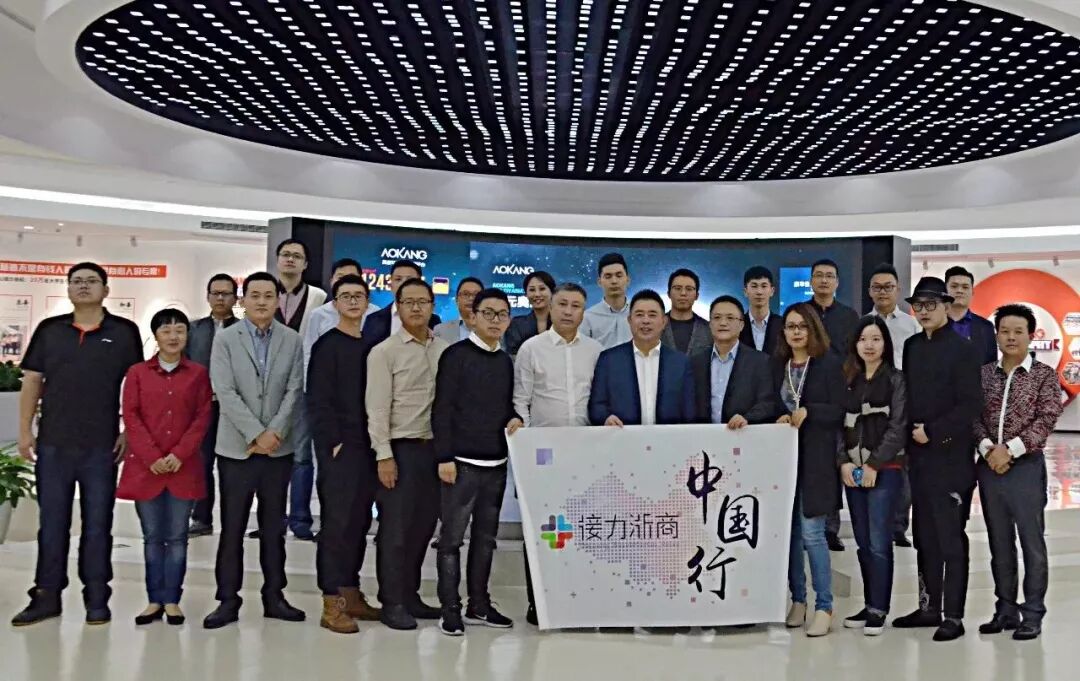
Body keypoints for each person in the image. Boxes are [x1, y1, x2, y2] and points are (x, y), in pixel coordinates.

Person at [11, 262, 143, 627]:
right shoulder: (50, 330)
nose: (84, 286)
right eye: (77, 281)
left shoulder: (124, 332)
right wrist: (24, 431)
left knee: (98, 525)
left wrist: (129, 431)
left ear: (106, 289)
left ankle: (97, 597)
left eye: (91, 281)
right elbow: (32, 382)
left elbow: (136, 385)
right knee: (52, 524)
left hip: (102, 446)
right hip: (54, 445)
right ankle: (46, 596)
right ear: (68, 289)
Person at [203, 272, 306, 630]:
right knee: (232, 527)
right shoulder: (225, 338)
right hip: (237, 449)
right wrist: (256, 433)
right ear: (242, 300)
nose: (262, 302)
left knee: (273, 528)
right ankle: (227, 600)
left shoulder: (292, 339)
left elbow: (294, 390)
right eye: (255, 295)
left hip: (278, 449)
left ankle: (274, 596)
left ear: (278, 300)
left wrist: (274, 432)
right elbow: (224, 390)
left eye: (268, 295)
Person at [892, 276, 982, 642]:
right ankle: (929, 607)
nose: (924, 311)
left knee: (950, 538)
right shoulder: (912, 346)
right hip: (919, 457)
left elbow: (971, 405)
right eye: (918, 306)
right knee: (924, 536)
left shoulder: (963, 350)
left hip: (951, 458)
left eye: (931, 304)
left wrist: (934, 431)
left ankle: (954, 616)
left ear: (947, 305)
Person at [432, 288, 523, 636]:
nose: (495, 320)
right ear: (473, 316)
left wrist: (515, 417)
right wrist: (444, 456)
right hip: (460, 464)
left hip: (495, 464)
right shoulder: (455, 355)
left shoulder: (505, 362)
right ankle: (450, 609)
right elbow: (442, 408)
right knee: (451, 540)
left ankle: (479, 605)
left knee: (486, 539)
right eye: (488, 313)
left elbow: (505, 406)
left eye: (502, 314)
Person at [514, 282, 602, 625]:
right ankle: (539, 601)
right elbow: (521, 400)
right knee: (540, 529)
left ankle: (577, 598)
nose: (568, 311)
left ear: (583, 312)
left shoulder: (595, 351)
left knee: (581, 528)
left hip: (584, 453)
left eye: (576, 306)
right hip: (542, 454)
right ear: (550, 308)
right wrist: (524, 442)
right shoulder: (531, 348)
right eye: (562, 304)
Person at [117, 309, 213, 627]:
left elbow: (202, 418)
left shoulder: (198, 374)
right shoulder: (137, 373)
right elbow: (131, 416)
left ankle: (172, 599)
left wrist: (180, 454)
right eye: (166, 330)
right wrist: (151, 456)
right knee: (152, 537)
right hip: (147, 469)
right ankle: (153, 600)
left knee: (178, 537)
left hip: (183, 468)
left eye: (180, 330)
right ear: (156, 336)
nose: (173, 336)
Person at [974, 304, 1063, 641]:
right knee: (999, 542)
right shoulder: (984, 374)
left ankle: (1033, 613)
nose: (1011, 337)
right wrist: (988, 448)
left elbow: (1047, 418)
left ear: (1030, 335)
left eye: (1018, 331)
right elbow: (972, 415)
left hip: (1025, 467)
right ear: (997, 335)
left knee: (1031, 543)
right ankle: (1005, 610)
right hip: (989, 467)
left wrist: (1009, 450)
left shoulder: (1044, 375)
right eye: (1005, 331)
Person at [366, 277, 450, 631]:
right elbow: (376, 409)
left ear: (433, 306)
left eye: (423, 302)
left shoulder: (444, 349)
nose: (416, 308)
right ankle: (392, 601)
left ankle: (410, 595)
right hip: (400, 450)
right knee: (395, 531)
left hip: (435, 451)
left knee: (422, 527)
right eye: (409, 302)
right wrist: (384, 455)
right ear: (397, 307)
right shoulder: (384, 352)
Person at [307, 275, 381, 634]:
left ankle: (351, 593)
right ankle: (331, 602)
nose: (353, 301)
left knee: (359, 522)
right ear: (335, 303)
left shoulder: (372, 345)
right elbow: (318, 399)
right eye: (345, 296)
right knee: (336, 525)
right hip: (340, 449)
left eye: (359, 295)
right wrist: (332, 442)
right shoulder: (327, 345)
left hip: (369, 446)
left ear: (367, 302)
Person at [773, 303, 845, 638]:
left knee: (813, 534)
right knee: (789, 535)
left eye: (802, 326)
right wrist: (778, 416)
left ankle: (824, 605)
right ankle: (798, 599)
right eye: (790, 326)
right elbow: (769, 402)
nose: (796, 332)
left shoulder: (828, 364)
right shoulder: (778, 365)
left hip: (816, 462)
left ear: (813, 329)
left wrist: (811, 411)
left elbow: (841, 410)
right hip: (783, 462)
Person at [838, 317, 908, 637]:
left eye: (876, 339)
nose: (869, 345)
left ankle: (880, 608)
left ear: (885, 344)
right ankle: (868, 605)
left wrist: (873, 465)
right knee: (863, 542)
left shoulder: (896, 379)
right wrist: (842, 462)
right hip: (852, 470)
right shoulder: (847, 380)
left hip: (885, 469)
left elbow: (898, 427)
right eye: (864, 339)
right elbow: (838, 425)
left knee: (880, 542)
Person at [273, 238, 327, 541]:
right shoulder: (266, 292)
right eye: (285, 254)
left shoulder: (318, 297)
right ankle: (272, 518)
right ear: (277, 260)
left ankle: (300, 520)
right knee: (271, 454)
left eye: (297, 256)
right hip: (269, 387)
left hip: (304, 385)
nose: (290, 260)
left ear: (306, 264)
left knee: (302, 455)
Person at [865, 262, 920, 548]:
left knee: (902, 464)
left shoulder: (911, 325)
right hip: (871, 400)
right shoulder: (864, 323)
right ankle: (876, 522)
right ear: (870, 291)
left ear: (898, 290)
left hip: (903, 399)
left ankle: (899, 525)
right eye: (877, 287)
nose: (882, 292)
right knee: (874, 458)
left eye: (888, 287)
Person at [807, 258, 859, 552]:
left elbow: (854, 356)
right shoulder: (802, 313)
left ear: (837, 282)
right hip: (808, 395)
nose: (824, 280)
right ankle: (808, 525)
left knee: (836, 460)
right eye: (819, 276)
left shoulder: (849, 316)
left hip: (839, 395)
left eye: (829, 276)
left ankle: (831, 529)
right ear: (811, 281)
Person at [588, 289, 694, 426]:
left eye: (652, 315)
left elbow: (689, 411)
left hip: (668, 438)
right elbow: (596, 406)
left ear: (664, 321)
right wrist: (605, 418)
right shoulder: (609, 360)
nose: (645, 321)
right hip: (622, 436)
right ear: (629, 320)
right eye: (639, 315)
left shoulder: (680, 362)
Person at [187, 273, 240, 538]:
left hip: (234, 409)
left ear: (235, 298)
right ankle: (201, 518)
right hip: (202, 407)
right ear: (207, 296)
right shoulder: (193, 330)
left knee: (232, 466)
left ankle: (233, 521)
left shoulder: (244, 330)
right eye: (215, 293)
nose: (220, 298)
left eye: (226, 293)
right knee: (201, 463)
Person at [691, 296, 775, 427]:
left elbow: (768, 403)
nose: (723, 323)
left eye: (730, 318)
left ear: (741, 325)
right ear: (710, 324)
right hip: (702, 436)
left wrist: (747, 418)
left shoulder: (760, 362)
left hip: (742, 434)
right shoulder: (695, 362)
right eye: (717, 318)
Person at [302, 257, 381, 374]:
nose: (346, 281)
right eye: (340, 277)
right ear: (331, 281)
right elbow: (308, 352)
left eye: (352, 277)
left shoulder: (376, 313)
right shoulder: (318, 314)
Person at [362, 259, 443, 344]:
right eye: (398, 279)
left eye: (410, 280)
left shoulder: (434, 321)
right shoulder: (373, 320)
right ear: (390, 285)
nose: (403, 284)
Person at [945, 265, 998, 365]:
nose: (959, 290)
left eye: (965, 287)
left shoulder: (986, 327)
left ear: (972, 292)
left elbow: (991, 366)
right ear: (945, 291)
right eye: (954, 286)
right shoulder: (932, 325)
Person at [580, 253, 632, 349]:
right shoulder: (587, 317)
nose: (614, 281)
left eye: (619, 275)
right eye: (608, 276)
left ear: (628, 279)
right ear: (599, 282)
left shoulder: (638, 313)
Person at [504, 271, 556, 356]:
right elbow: (513, 355)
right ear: (526, 294)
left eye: (542, 289)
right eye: (532, 290)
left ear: (552, 292)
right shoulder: (516, 324)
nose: (537, 294)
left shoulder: (562, 322)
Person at [661, 268, 711, 356]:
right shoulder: (655, 326)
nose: (683, 293)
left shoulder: (709, 330)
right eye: (677, 288)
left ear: (697, 296)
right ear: (668, 293)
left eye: (689, 289)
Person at [740, 266, 783, 355]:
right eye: (754, 286)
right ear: (745, 291)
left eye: (764, 286)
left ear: (772, 291)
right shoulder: (737, 324)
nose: (759, 292)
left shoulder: (783, 324)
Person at [434, 277, 485, 344]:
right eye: (465, 294)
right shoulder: (440, 330)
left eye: (476, 295)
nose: (471, 298)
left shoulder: (494, 330)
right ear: (456, 300)